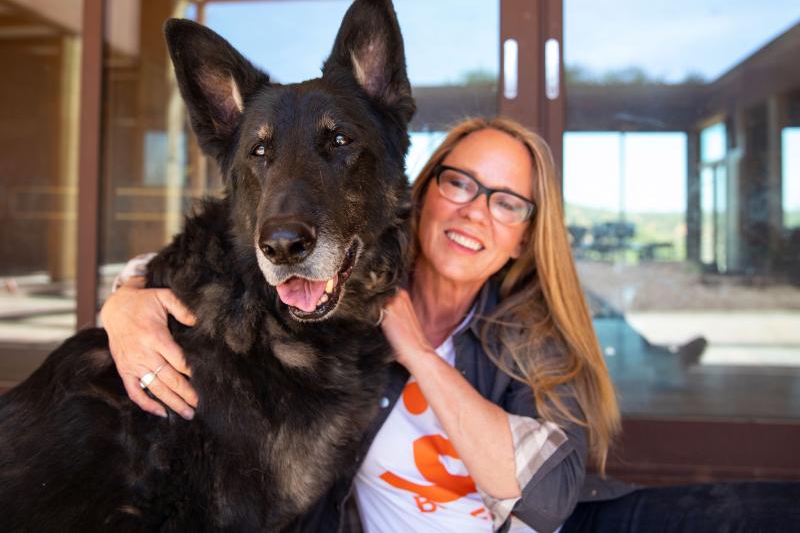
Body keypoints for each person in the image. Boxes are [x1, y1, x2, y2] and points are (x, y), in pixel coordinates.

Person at [101, 117, 799, 532]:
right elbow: (233, 266)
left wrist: (418, 352)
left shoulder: (530, 335)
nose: (475, 213)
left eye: (506, 202)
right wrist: (126, 297)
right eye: (459, 183)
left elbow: (549, 500)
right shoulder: (337, 298)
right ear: (424, 191)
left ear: (523, 237)